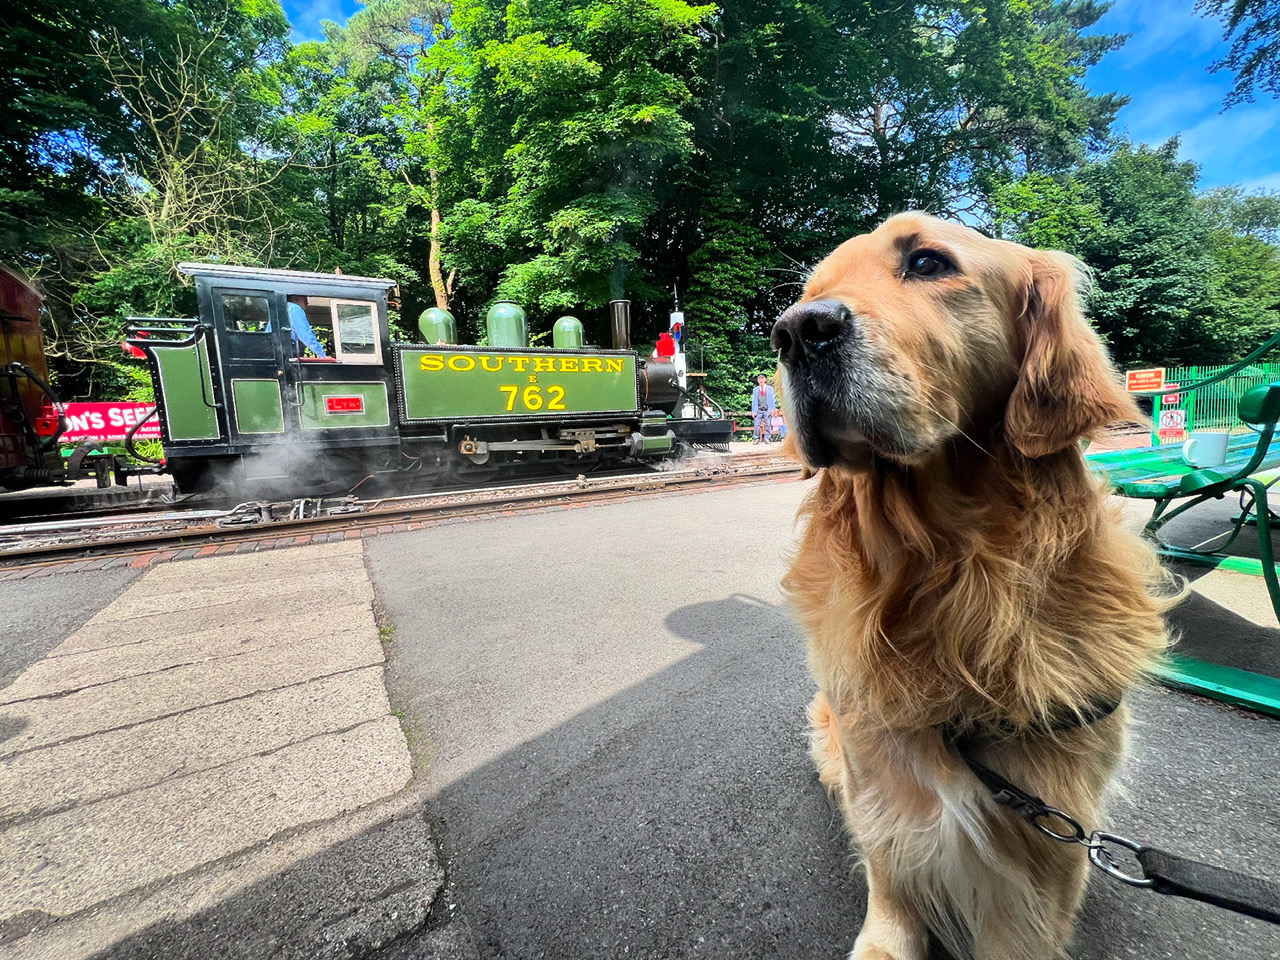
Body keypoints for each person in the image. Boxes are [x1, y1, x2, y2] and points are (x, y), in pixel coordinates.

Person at [751, 373, 775, 443]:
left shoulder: (770, 389)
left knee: (768, 425)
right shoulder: (755, 389)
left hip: (767, 409)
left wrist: (773, 409)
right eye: (759, 379)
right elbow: (754, 400)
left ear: (765, 380)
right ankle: (756, 438)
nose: (760, 380)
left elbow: (773, 400)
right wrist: (753, 411)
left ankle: (767, 438)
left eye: (762, 379)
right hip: (758, 409)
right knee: (756, 426)